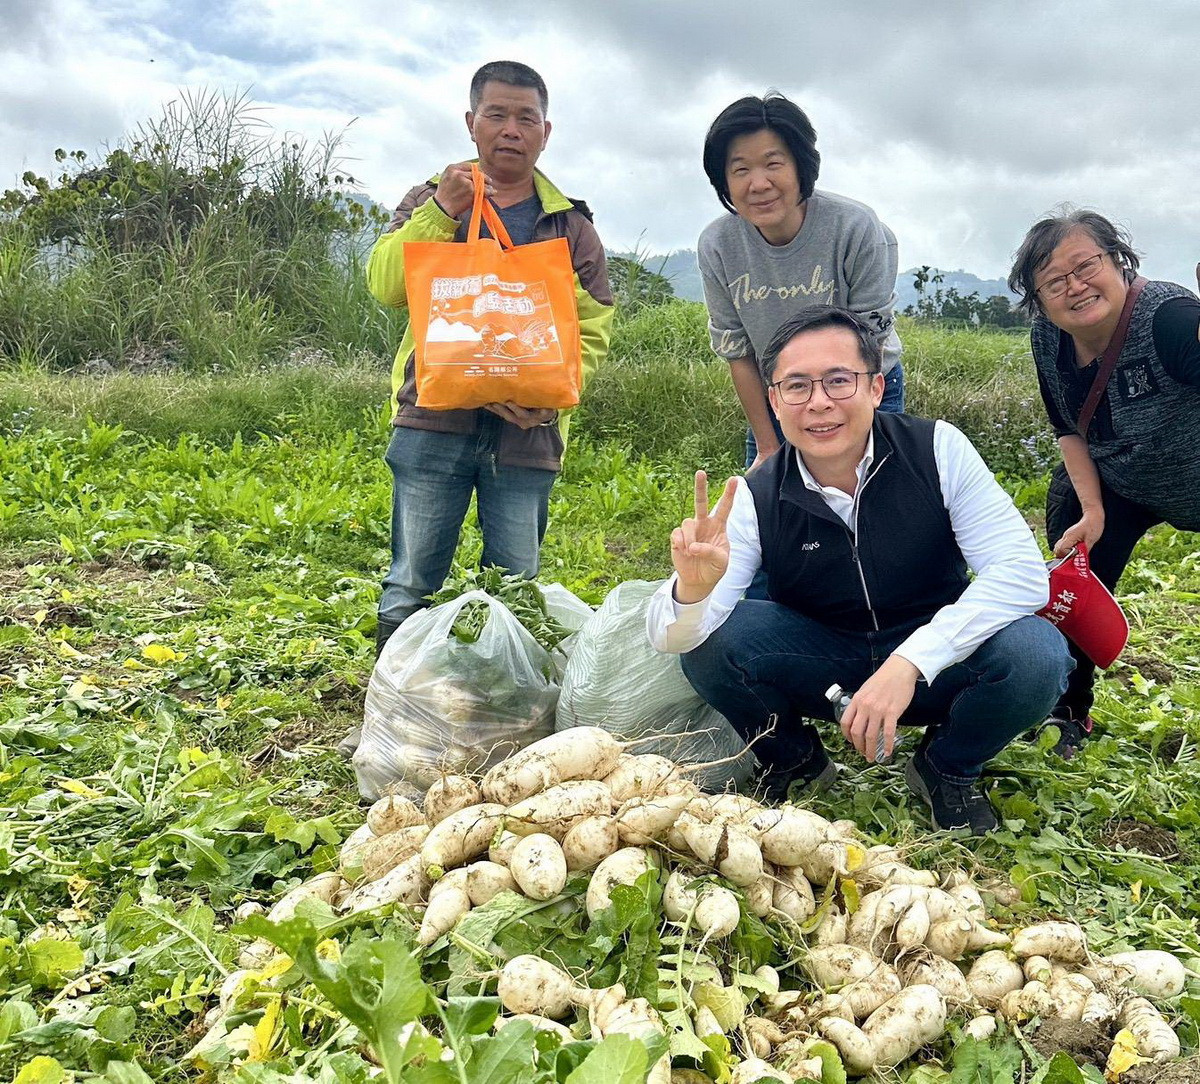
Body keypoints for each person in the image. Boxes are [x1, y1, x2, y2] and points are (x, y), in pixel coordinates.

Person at [646, 306, 1072, 834]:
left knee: (1037, 653)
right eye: (797, 385)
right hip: (822, 659)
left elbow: (1023, 572)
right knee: (708, 646)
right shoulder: (756, 494)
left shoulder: (936, 450)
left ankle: (945, 767)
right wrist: (691, 590)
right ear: (775, 401)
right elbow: (671, 638)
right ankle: (796, 762)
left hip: (932, 662)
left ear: (875, 386)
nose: (819, 402)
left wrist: (911, 660)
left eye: (838, 380)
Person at [367, 60, 614, 655]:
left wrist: (547, 404)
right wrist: (441, 214)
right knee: (409, 585)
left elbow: (595, 329)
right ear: (471, 122)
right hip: (432, 422)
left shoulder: (570, 226)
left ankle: (504, 711)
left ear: (545, 132)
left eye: (525, 118)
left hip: (527, 437)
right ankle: (390, 718)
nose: (511, 129)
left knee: (516, 590)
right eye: (497, 115)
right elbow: (384, 285)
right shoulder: (430, 200)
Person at [1007, 210, 1200, 756]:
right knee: (1075, 583)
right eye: (1054, 282)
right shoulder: (1048, 338)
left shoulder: (1171, 319)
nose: (1076, 287)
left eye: (1085, 265)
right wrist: (1091, 511)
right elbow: (1068, 427)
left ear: (1118, 260)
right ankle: (1067, 707)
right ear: (1039, 299)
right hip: (1121, 481)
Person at [698, 92, 905, 475]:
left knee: (870, 498)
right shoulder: (719, 245)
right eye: (740, 169)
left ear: (801, 167)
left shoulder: (856, 229)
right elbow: (738, 352)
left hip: (861, 384)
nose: (758, 184)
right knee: (773, 508)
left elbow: (869, 344)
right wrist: (766, 445)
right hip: (780, 395)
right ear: (723, 180)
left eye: (773, 163)